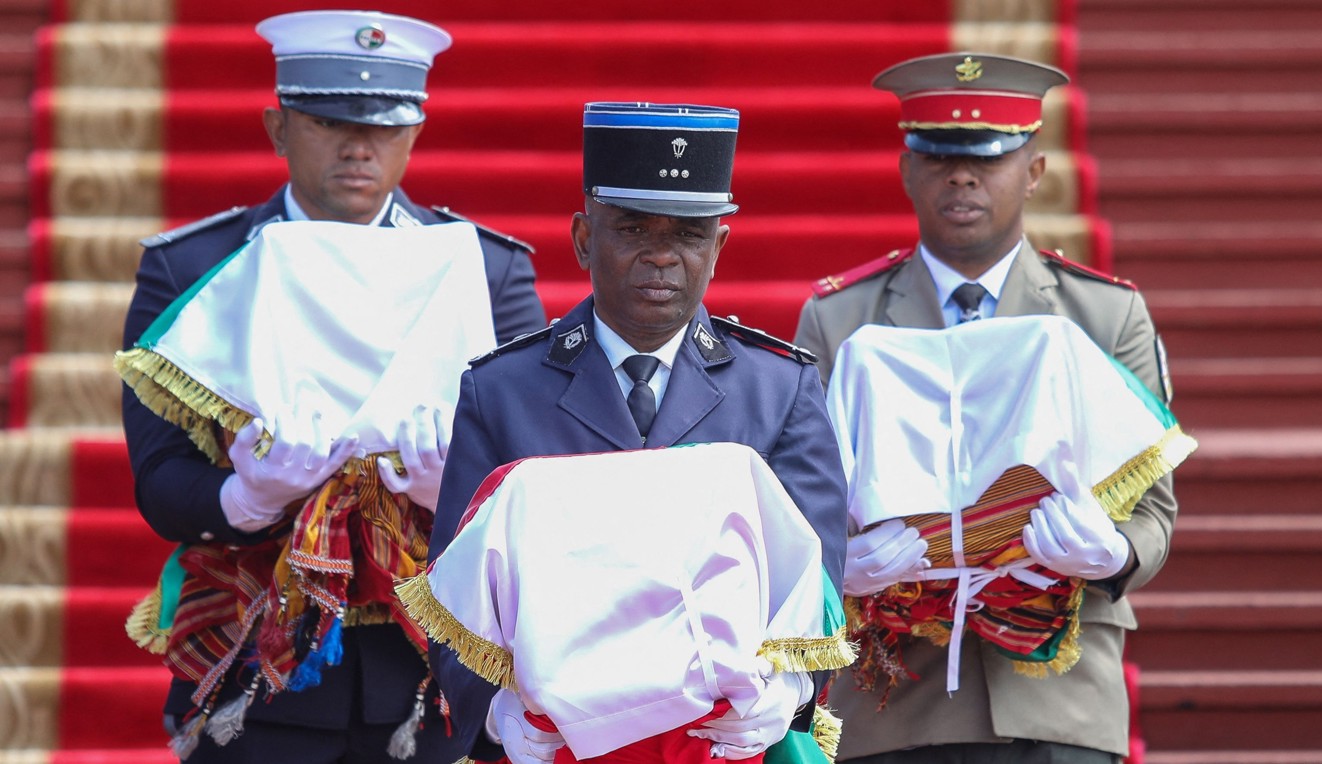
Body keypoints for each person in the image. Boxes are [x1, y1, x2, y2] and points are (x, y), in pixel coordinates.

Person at [118, 10, 545, 763]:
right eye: (326, 120)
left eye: (385, 125)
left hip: (431, 673)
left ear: (414, 131)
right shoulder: (193, 269)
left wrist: (460, 489)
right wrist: (243, 499)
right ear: (277, 128)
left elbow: (538, 464)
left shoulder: (488, 270)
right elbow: (159, 480)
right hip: (251, 666)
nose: (359, 145)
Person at [423, 101, 849, 764]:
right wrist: (493, 717)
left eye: (688, 233)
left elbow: (816, 577)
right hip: (557, 743)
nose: (661, 256)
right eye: (632, 229)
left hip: (721, 745)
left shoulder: (778, 389)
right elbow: (452, 593)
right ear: (584, 237)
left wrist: (792, 693)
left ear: (719, 247)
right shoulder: (502, 390)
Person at [793, 52, 1178, 763]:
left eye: (988, 157)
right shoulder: (839, 319)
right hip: (895, 702)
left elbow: (1154, 508)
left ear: (1034, 171)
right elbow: (799, 500)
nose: (961, 176)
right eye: (937, 156)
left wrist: (1113, 553)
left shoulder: (1105, 314)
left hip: (1058, 698)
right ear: (907, 169)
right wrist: (837, 563)